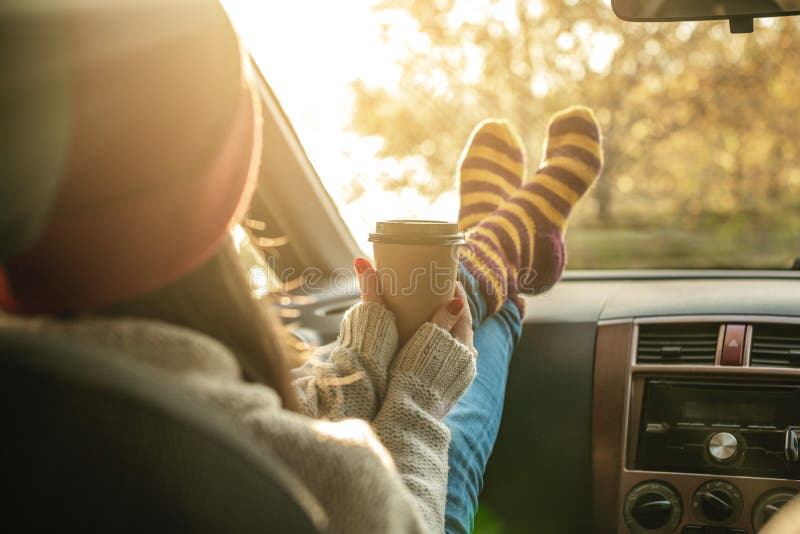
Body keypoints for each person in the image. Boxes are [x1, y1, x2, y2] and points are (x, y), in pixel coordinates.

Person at [0, 1, 602, 532]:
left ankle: (497, 253)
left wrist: (361, 362)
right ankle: (495, 256)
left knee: (434, 357)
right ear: (227, 184)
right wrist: (416, 403)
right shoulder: (307, 476)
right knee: (450, 415)